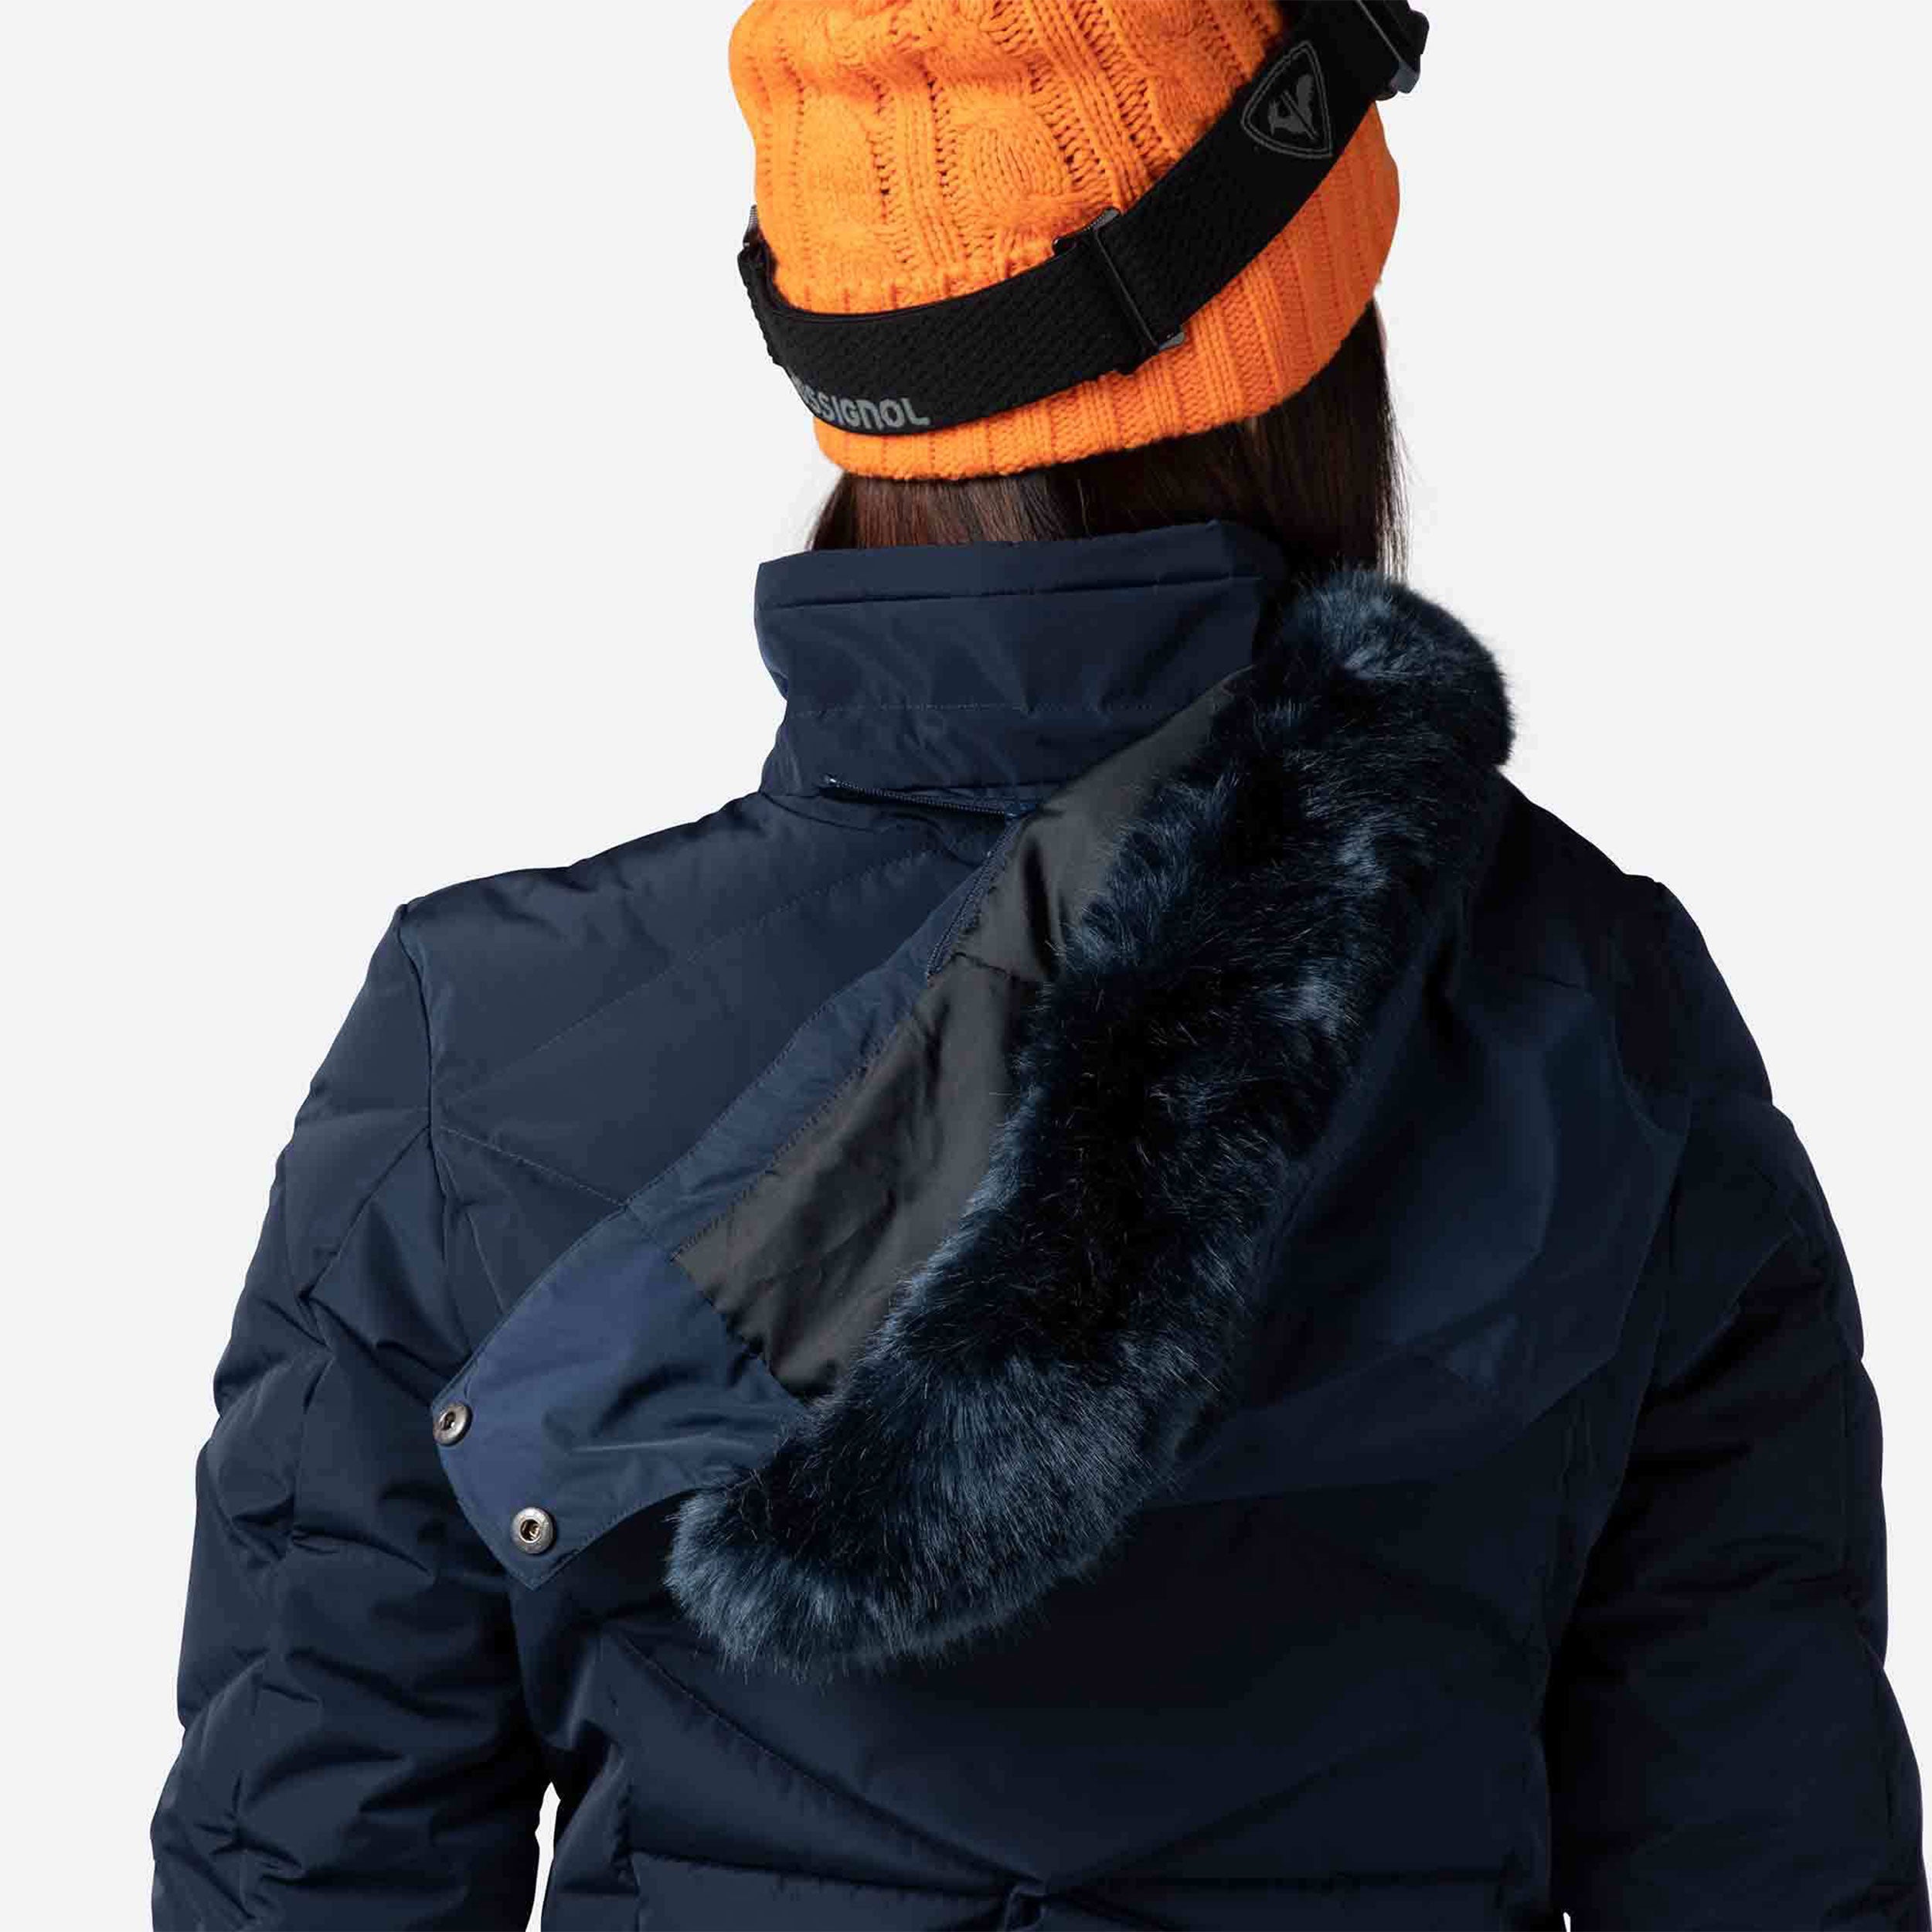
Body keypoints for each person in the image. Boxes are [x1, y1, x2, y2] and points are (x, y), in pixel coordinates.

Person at [152, 4, 1927, 1927]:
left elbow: (306, 1864)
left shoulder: (480, 1039)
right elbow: (1765, 1856)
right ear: (1308, 334)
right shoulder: (1598, 1016)